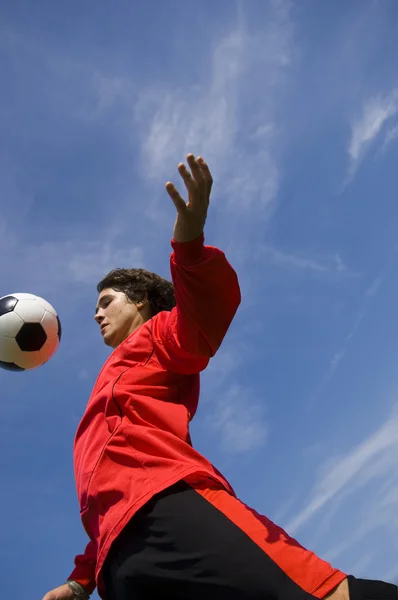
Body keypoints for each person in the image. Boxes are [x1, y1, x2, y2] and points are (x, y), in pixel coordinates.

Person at [43, 155, 397, 600]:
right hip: (119, 564)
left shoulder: (161, 334)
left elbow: (206, 315)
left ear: (141, 302)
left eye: (107, 301)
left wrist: (188, 245)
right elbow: (107, 497)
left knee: (324, 596)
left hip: (169, 510)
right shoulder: (107, 384)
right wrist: (81, 580)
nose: (96, 313)